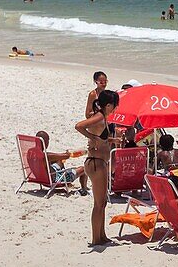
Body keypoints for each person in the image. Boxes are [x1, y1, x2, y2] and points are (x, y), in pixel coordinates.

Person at [76, 89, 120, 246]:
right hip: (96, 163)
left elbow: (100, 135)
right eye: (115, 106)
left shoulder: (103, 118)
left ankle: (102, 235)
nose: (116, 109)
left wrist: (111, 140)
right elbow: (79, 126)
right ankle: (96, 238)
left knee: (103, 203)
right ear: (108, 105)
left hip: (99, 162)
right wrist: (92, 138)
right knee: (98, 204)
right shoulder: (99, 117)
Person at [35, 131, 88, 195]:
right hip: (53, 180)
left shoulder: (30, 152)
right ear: (45, 142)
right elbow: (66, 156)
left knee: (59, 160)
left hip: (40, 178)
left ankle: (66, 180)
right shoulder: (45, 156)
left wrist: (61, 156)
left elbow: (57, 157)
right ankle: (84, 189)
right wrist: (70, 153)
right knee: (84, 169)